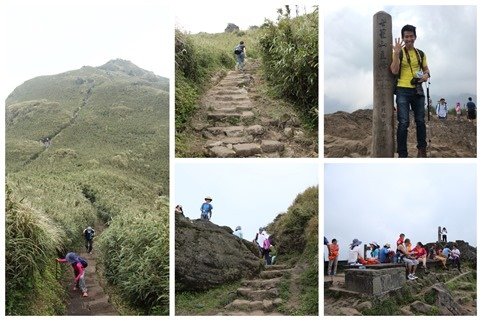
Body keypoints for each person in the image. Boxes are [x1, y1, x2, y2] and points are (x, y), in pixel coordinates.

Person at [391, 24, 431, 158]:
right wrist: (396, 54)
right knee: (403, 122)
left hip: (418, 90)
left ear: (415, 37)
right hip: (402, 90)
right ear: (402, 38)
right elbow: (394, 70)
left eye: (411, 36)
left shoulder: (421, 54)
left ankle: (422, 151)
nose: (409, 39)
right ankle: (402, 153)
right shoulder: (399, 52)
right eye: (406, 36)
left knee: (420, 121)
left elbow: (426, 70)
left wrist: (426, 76)